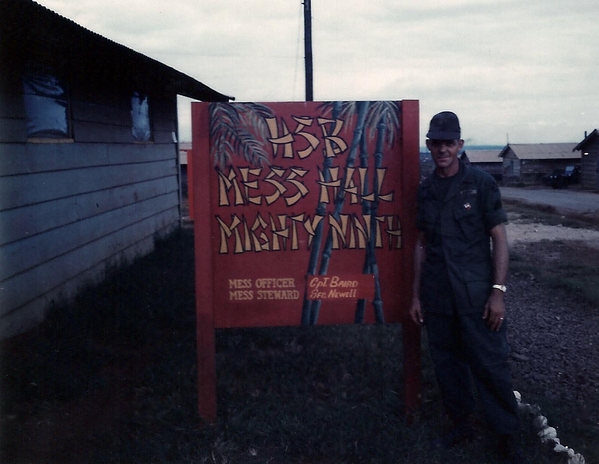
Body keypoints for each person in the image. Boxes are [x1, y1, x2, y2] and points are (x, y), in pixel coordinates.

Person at [410, 111, 522, 462]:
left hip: (476, 294)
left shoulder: (481, 183)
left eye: (449, 142)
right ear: (429, 146)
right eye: (436, 143)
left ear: (459, 144)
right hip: (438, 294)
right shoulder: (426, 190)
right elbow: (421, 244)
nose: (442, 149)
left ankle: (506, 434)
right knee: (447, 364)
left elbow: (500, 239)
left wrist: (498, 293)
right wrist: (415, 294)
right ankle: (461, 425)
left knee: (490, 363)